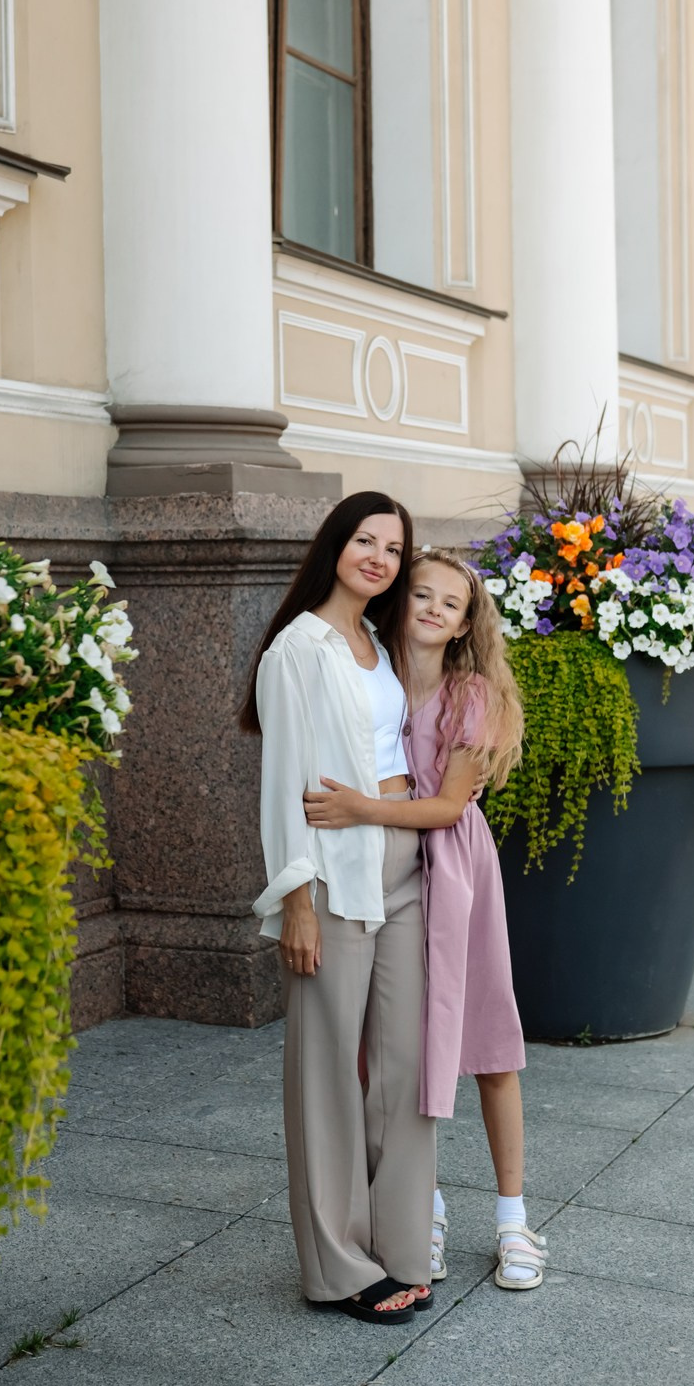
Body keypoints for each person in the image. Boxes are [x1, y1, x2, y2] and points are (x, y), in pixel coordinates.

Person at [304, 546, 547, 1291]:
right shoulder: (368, 674)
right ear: (399, 602)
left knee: (489, 1046)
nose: (435, 609)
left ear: (468, 622)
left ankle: (514, 1221)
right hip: (388, 876)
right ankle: (422, 1212)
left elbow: (446, 806)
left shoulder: (474, 696)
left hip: (456, 874)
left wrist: (359, 807)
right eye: (422, 595)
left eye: (453, 602)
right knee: (396, 1051)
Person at [240, 491, 436, 1325]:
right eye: (367, 541)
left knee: (402, 1066)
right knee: (326, 1074)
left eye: (394, 549)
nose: (381, 559)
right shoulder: (299, 650)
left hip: (400, 865)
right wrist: (296, 904)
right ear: (336, 545)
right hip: (330, 874)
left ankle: (398, 1245)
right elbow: (284, 783)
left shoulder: (377, 643)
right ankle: (338, 1268)